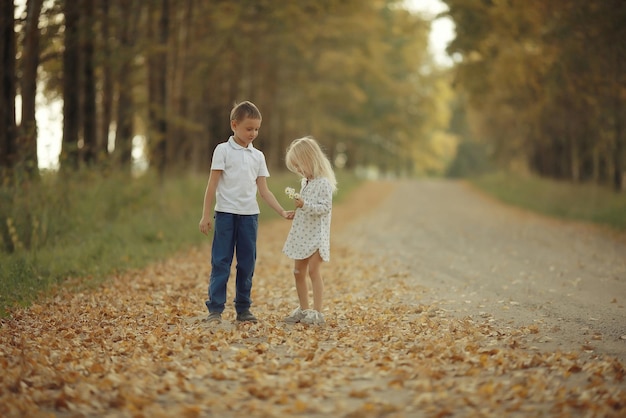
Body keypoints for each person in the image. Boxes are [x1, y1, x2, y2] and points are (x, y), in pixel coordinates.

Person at [199, 101, 291, 324]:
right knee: (221, 261)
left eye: (257, 129)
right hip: (225, 214)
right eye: (249, 128)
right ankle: (215, 309)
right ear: (234, 125)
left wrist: (281, 211)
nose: (253, 133)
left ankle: (243, 308)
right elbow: (211, 185)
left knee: (247, 263)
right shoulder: (223, 150)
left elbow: (264, 190)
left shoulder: (258, 156)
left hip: (250, 216)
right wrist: (205, 215)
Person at [282, 136, 337, 325]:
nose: (298, 171)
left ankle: (317, 312)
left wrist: (304, 204)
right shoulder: (305, 182)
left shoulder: (323, 183)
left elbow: (324, 208)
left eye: (299, 166)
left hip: (316, 235)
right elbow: (306, 209)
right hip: (302, 234)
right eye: (295, 168)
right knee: (298, 272)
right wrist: (296, 212)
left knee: (314, 270)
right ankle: (304, 309)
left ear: (310, 159)